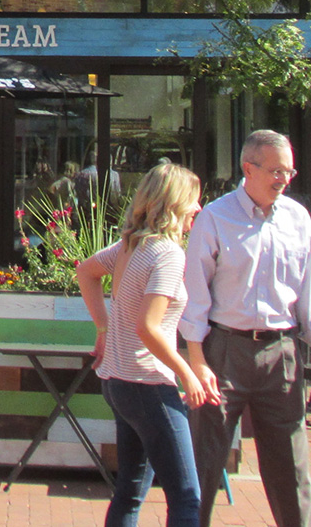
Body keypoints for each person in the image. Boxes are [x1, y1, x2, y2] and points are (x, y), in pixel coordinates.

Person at [180, 129, 311, 527]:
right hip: (224, 351)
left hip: (281, 352)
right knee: (204, 462)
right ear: (248, 169)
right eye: (276, 171)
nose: (284, 179)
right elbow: (195, 296)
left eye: (289, 171)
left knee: (291, 468)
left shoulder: (297, 219)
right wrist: (197, 362)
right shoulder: (215, 218)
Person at [77, 163, 207, 527]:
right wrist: (187, 373)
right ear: (175, 202)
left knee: (130, 492)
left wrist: (103, 328)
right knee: (186, 497)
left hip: (119, 383)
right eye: (193, 200)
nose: (198, 208)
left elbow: (85, 271)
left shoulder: (131, 245)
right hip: (148, 384)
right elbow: (148, 327)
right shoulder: (167, 253)